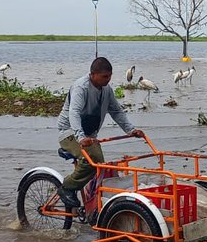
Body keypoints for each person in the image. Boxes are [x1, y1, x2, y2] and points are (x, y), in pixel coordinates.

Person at [56, 56, 144, 209]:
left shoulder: (106, 90)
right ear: (93, 74)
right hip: (70, 132)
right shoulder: (81, 88)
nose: (108, 80)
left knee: (99, 164)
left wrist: (131, 130)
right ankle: (67, 187)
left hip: (89, 135)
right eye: (104, 76)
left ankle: (91, 202)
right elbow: (74, 112)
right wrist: (80, 136)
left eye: (110, 76)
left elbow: (116, 111)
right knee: (94, 159)